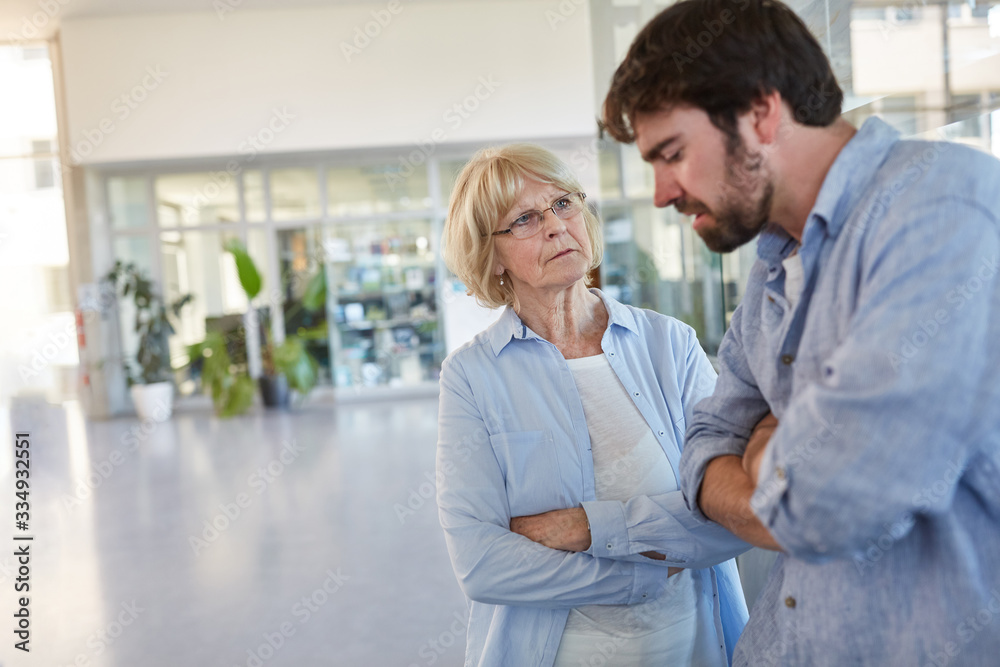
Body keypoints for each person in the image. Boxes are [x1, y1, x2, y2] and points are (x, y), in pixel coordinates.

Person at [601, 0, 1000, 664]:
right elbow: (702, 449)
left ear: (761, 112)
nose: (661, 194)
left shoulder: (941, 210)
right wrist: (778, 457)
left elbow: (828, 505)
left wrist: (765, 456)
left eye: (671, 153)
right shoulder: (773, 262)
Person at [436, 143, 750, 667]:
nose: (557, 226)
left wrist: (590, 528)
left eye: (564, 203)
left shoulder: (668, 344)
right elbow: (482, 564)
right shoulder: (472, 377)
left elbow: (736, 512)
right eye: (525, 219)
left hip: (693, 644)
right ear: (490, 257)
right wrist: (643, 572)